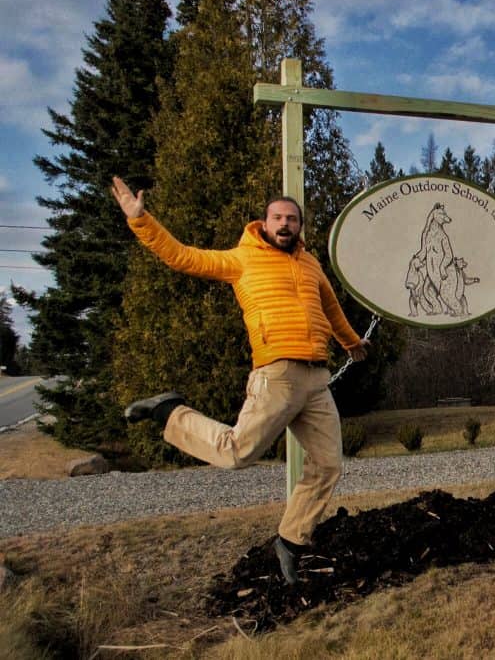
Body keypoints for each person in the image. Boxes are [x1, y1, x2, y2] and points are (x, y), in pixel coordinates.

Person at [111, 176, 369, 583]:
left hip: (317, 378)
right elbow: (182, 257)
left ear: (300, 226)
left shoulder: (310, 263)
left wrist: (351, 341)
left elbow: (331, 306)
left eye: (292, 219)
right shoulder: (242, 259)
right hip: (277, 374)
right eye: (278, 218)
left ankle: (289, 540)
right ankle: (170, 412)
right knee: (236, 453)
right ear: (264, 223)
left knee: (328, 464)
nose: (285, 224)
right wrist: (141, 220)